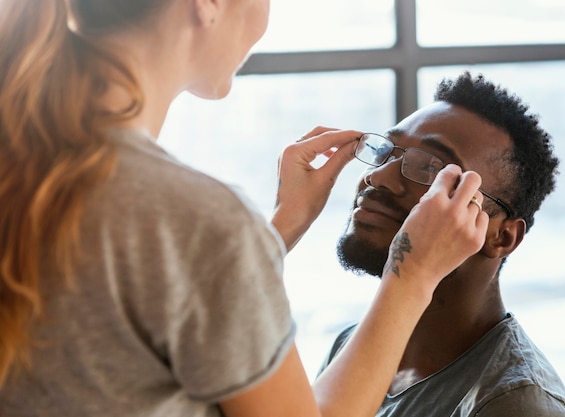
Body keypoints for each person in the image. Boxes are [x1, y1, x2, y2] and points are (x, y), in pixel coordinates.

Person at [0, 1, 491, 416]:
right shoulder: (190, 218)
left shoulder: (35, 163)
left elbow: (157, 298)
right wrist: (414, 275)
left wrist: (279, 228)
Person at [318, 72, 565, 417]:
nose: (377, 177)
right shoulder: (352, 344)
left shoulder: (516, 405)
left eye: (431, 170)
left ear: (501, 236)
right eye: (387, 152)